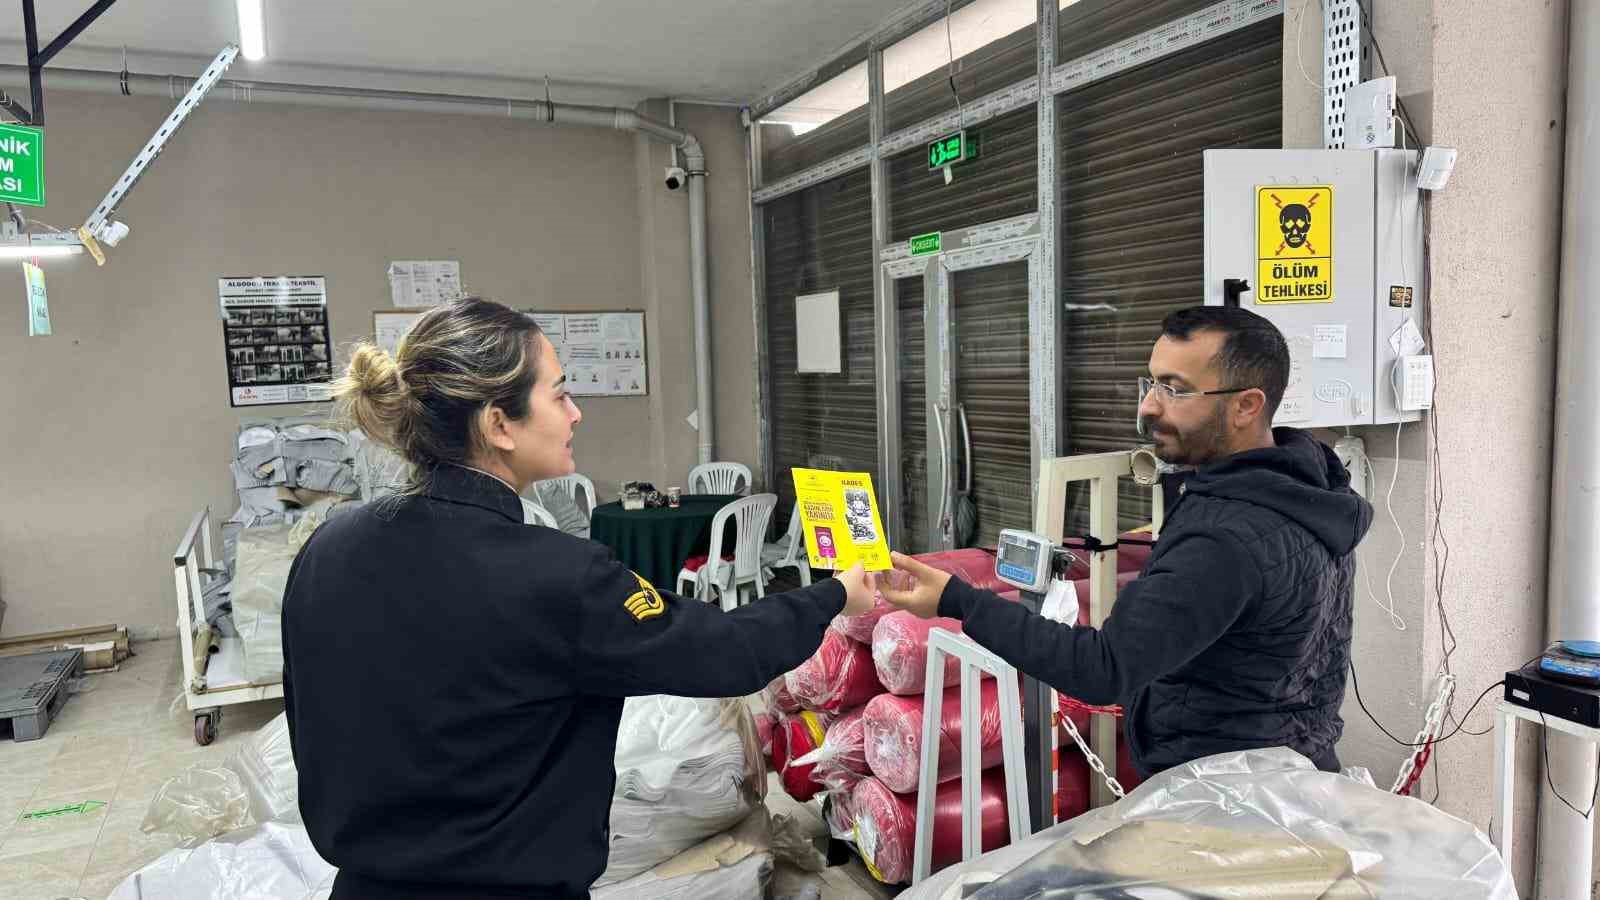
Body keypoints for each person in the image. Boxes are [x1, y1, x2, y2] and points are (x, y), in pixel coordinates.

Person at [281, 297, 873, 899]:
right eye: (559, 394)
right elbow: (725, 651)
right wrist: (834, 594)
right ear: (497, 425)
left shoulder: (327, 549)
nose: (576, 413)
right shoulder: (554, 576)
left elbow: (311, 719)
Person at [874, 305, 1374, 777]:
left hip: (1224, 800)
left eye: (1174, 390)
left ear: (1247, 405)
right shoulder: (1309, 486)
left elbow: (1103, 667)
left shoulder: (1225, 537)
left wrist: (955, 599)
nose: (1148, 407)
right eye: (1151, 382)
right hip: (1294, 762)